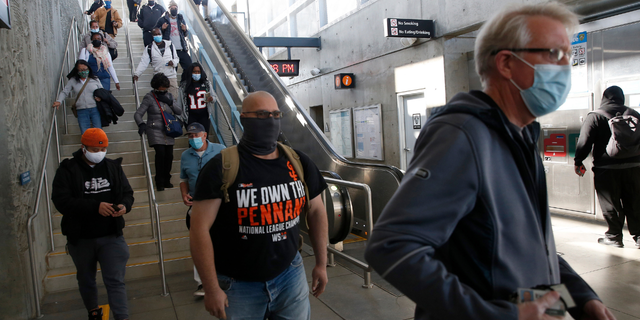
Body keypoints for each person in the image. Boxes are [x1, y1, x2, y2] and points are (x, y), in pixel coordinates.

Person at [364, 3, 616, 320]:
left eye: (568, 55)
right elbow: (391, 246)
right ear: (507, 63)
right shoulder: (462, 136)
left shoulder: (520, 135)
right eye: (554, 54)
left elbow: (530, 247)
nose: (567, 66)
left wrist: (581, 298)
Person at [190, 91, 329, 320]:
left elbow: (316, 211)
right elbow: (199, 229)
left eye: (276, 114)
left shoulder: (299, 161)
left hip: (290, 275)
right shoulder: (221, 167)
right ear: (244, 119)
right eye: (262, 114)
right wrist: (212, 287)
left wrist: (321, 264)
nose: (271, 120)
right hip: (238, 286)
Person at [51, 128, 134, 320]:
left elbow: (127, 193)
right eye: (95, 150)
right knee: (86, 279)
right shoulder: (68, 170)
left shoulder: (113, 167)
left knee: (115, 280)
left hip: (111, 235)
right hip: (81, 238)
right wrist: (94, 206)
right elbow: (61, 200)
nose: (99, 154)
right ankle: (93, 311)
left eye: (103, 149)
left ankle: (122, 316)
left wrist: (124, 206)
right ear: (83, 148)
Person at [575, 86, 640, 248]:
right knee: (635, 201)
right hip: (634, 167)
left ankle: (614, 236)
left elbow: (584, 142)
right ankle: (639, 236)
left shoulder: (596, 116)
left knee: (610, 203)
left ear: (604, 97)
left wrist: (578, 161)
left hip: (607, 168)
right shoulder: (634, 114)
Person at [179, 122, 225, 296]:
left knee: (220, 240)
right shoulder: (185, 156)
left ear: (205, 135)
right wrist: (184, 194)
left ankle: (224, 276)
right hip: (198, 205)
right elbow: (183, 179)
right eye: (190, 136)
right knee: (198, 241)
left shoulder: (220, 149)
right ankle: (203, 283)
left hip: (219, 203)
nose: (193, 139)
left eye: (196, 135)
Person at [134, 73, 183, 191]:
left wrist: (170, 102)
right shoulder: (149, 97)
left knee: (169, 155)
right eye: (160, 89)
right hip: (154, 129)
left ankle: (167, 178)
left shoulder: (169, 96)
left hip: (168, 129)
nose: (163, 91)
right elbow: (138, 114)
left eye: (165, 88)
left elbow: (179, 111)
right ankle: (159, 181)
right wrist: (141, 124)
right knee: (161, 154)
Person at [53, 60, 104, 134]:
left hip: (95, 109)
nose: (83, 71)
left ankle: (99, 145)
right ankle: (86, 145)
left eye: (85, 69)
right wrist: (59, 101)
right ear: (77, 70)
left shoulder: (95, 79)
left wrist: (100, 98)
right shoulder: (73, 81)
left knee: (98, 131)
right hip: (81, 110)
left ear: (89, 69)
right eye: (81, 70)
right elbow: (65, 92)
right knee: (85, 133)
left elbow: (102, 92)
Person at [133, 28, 180, 101]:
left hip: (171, 76)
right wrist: (137, 74)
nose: (158, 36)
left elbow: (176, 59)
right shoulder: (149, 48)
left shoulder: (170, 45)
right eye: (155, 34)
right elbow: (143, 62)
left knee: (173, 99)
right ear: (152, 36)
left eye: (159, 34)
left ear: (162, 34)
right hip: (159, 78)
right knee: (160, 101)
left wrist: (173, 62)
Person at [155, 0, 192, 71]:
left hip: (181, 48)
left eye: (175, 8)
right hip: (170, 49)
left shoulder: (180, 19)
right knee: (173, 69)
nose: (174, 10)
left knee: (189, 66)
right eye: (172, 8)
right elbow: (155, 32)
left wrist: (185, 30)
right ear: (168, 9)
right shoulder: (163, 19)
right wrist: (162, 29)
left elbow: (185, 34)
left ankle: (184, 81)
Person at [180, 62, 215, 133]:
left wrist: (212, 99)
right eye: (194, 72)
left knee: (204, 138)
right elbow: (180, 103)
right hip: (190, 116)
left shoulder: (206, 84)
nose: (197, 74)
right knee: (193, 138)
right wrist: (182, 117)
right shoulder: (184, 86)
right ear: (190, 72)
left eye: (198, 72)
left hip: (204, 115)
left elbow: (214, 97)